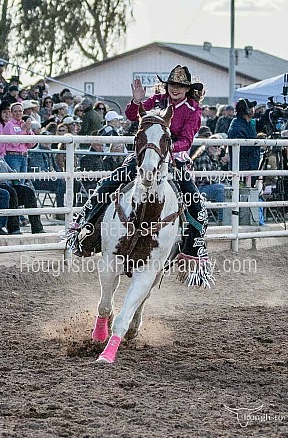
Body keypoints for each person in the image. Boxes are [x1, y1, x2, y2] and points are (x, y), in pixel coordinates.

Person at [68, 64, 212, 286]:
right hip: (144, 156)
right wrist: (137, 101)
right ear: (167, 86)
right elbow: (132, 115)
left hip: (172, 158)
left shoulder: (193, 110)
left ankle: (192, 251)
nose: (176, 89)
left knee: (196, 204)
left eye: (181, 86)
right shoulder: (155, 100)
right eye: (173, 84)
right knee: (109, 183)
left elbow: (187, 139)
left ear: (187, 89)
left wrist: (168, 150)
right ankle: (85, 227)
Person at [0, 141, 45, 234]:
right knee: (10, 191)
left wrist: (16, 179)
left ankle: (37, 228)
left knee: (27, 191)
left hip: (6, 184)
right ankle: (14, 228)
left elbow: (11, 173)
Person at [192, 135, 229, 224]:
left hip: (209, 186)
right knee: (222, 189)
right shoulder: (204, 157)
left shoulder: (214, 158)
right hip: (201, 188)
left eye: (219, 147)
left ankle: (229, 217)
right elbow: (207, 178)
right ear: (208, 147)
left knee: (228, 188)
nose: (217, 149)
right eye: (214, 146)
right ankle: (223, 219)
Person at [227, 98, 258, 175]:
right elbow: (243, 149)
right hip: (243, 168)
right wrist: (258, 144)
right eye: (251, 107)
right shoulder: (238, 126)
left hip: (248, 166)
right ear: (247, 110)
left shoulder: (245, 123)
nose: (254, 109)